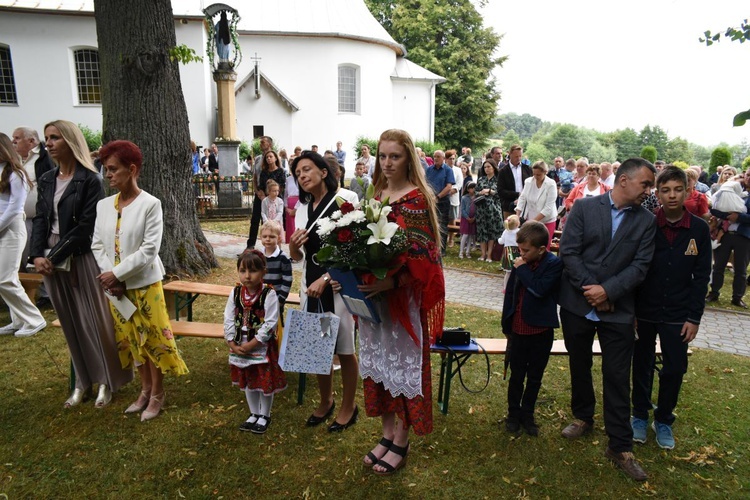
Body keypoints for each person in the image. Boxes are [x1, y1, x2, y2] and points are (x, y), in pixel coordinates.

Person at [558, 158, 657, 482]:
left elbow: (640, 266)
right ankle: (583, 416)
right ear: (624, 180)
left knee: (617, 375)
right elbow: (569, 252)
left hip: (619, 310)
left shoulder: (646, 221)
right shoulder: (585, 208)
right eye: (645, 184)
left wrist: (608, 292)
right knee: (579, 364)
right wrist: (593, 290)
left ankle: (620, 445)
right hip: (578, 304)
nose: (649, 190)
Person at [357, 129, 445, 475]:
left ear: (408, 157)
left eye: (395, 156)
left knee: (401, 369)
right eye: (382, 156)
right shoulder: (376, 193)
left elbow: (426, 256)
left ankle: (402, 441)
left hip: (400, 301)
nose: (387, 162)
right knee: (379, 369)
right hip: (374, 301)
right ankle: (386, 434)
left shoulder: (417, 199)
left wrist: (391, 280)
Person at [31, 120, 133, 408]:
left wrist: (52, 256)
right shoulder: (48, 178)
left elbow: (87, 225)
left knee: (94, 321)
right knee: (70, 322)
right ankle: (82, 382)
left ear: (70, 141)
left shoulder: (89, 180)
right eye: (46, 138)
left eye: (55, 138)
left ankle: (106, 381)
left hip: (80, 258)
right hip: (50, 261)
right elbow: (41, 218)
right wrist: (36, 255)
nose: (48, 143)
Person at [91, 140, 188, 419]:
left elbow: (149, 249)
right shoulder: (103, 206)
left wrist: (118, 273)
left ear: (131, 169)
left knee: (153, 339)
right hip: (116, 289)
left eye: (113, 169)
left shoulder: (150, 204)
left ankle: (157, 393)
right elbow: (97, 245)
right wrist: (110, 276)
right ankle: (144, 389)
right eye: (105, 169)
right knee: (133, 340)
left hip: (144, 284)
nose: (108, 174)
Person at [631, 166, 711, 450]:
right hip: (645, 310)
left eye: (678, 189)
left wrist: (694, 317)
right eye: (665, 190)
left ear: (688, 191)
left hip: (679, 313)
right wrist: (633, 312)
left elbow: (702, 276)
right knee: (641, 365)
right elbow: (637, 269)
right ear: (657, 193)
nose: (672, 195)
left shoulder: (699, 229)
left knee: (674, 368)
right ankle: (639, 415)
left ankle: (663, 419)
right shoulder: (647, 224)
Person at [288, 151, 359, 432]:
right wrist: (293, 245)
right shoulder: (303, 208)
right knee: (317, 347)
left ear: (323, 172)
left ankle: (348, 405)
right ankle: (326, 400)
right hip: (310, 283)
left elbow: (356, 248)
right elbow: (296, 256)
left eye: (306, 170)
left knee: (343, 348)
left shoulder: (347, 200)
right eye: (297, 174)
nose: (302, 176)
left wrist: (328, 278)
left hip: (338, 285)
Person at [502, 221, 563, 436]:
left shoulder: (553, 265)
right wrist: (506, 323)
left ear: (541, 249)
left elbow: (539, 289)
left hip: (541, 332)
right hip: (518, 330)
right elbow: (510, 294)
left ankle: (528, 414)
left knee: (534, 376)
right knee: (516, 374)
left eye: (526, 250)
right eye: (520, 250)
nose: (522, 254)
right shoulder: (521, 264)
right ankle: (513, 414)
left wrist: (522, 268)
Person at [225, 249, 287, 434]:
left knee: (263, 379)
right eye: (243, 271)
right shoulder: (236, 292)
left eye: (252, 271)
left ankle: (264, 414)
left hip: (261, 347)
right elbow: (228, 317)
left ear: (263, 272)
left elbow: (270, 323)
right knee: (248, 378)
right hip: (239, 344)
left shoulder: (269, 294)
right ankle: (253, 413)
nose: (247, 276)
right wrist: (231, 342)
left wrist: (254, 343)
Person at [0, 133, 47, 337]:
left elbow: (15, 208)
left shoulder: (15, 173)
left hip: (12, 229)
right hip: (3, 229)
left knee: (4, 279)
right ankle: (18, 319)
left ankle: (34, 319)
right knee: (8, 278)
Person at [12, 126, 54, 307]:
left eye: (17, 138)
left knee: (37, 252)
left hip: (38, 217)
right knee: (22, 254)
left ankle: (46, 294)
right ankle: (25, 292)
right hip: (19, 217)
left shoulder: (44, 158)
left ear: (31, 141)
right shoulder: (16, 160)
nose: (13, 142)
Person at [706, 170, 750, 308]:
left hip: (744, 237)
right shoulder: (731, 188)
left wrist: (739, 217)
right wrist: (726, 216)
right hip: (725, 235)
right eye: (747, 175)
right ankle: (714, 292)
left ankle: (737, 297)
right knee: (718, 266)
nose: (748, 178)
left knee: (741, 269)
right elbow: (715, 208)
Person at [516, 161, 558, 249]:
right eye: (534, 174)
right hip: (530, 217)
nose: (535, 177)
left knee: (543, 247)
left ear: (545, 172)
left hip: (547, 220)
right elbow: (522, 198)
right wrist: (517, 216)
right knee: (530, 246)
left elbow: (548, 208)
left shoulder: (551, 184)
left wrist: (533, 222)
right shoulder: (528, 181)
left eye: (538, 175)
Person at [425, 150, 455, 256]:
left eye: (438, 156)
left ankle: (441, 250)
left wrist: (438, 196)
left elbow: (449, 186)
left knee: (442, 225)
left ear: (443, 158)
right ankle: (430, 247)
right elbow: (425, 184)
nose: (436, 158)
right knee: (430, 224)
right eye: (434, 156)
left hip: (442, 201)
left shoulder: (448, 170)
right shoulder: (428, 170)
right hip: (430, 200)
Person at [258, 220, 293, 311]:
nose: (268, 239)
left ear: (279, 239)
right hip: (258, 298)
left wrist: (281, 299)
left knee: (276, 323)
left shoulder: (283, 258)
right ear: (260, 238)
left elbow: (287, 280)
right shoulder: (258, 256)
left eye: (272, 236)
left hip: (276, 299)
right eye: (264, 236)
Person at [247, 136, 273, 248]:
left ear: (269, 144)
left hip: (269, 194)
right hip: (258, 193)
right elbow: (255, 176)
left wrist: (268, 193)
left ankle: (267, 245)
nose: (260, 144)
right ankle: (250, 245)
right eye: (260, 142)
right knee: (255, 219)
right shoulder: (257, 159)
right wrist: (257, 190)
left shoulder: (272, 157)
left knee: (267, 220)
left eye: (263, 142)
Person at [475, 159, 503, 262]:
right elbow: (476, 192)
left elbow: (500, 193)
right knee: (482, 231)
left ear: (494, 167)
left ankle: (489, 255)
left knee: (492, 232)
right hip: (481, 209)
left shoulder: (498, 179)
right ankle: (482, 254)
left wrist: (490, 191)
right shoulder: (481, 179)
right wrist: (481, 192)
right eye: (485, 167)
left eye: (489, 167)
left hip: (494, 210)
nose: (486, 169)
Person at [497, 145, 531, 219]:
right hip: (509, 206)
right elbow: (500, 191)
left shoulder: (527, 169)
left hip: (526, 206)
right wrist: (517, 194)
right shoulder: (503, 171)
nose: (518, 158)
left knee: (526, 230)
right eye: (516, 156)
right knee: (510, 229)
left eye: (520, 156)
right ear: (510, 155)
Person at [497, 215, 521, 291]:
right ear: (517, 224)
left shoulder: (506, 231)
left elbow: (501, 241)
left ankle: (505, 288)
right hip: (516, 252)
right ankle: (515, 287)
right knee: (517, 271)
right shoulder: (519, 231)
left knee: (508, 272)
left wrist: (498, 239)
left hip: (508, 252)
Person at [446, 150, 463, 248]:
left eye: (453, 159)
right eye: (450, 159)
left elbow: (459, 183)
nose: (452, 160)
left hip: (453, 197)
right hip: (443, 196)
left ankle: (451, 239)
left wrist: (453, 190)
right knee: (443, 219)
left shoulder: (457, 170)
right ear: (446, 159)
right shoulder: (443, 168)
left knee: (452, 219)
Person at [458, 181, 477, 259]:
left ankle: (468, 251)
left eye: (474, 188)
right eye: (472, 188)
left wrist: (474, 218)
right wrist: (467, 217)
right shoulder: (464, 198)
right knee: (465, 235)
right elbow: (462, 209)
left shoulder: (476, 197)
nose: (473, 189)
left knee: (470, 235)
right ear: (468, 189)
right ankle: (461, 251)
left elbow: (478, 209)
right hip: (466, 219)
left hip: (473, 218)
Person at [284, 166, 299, 244]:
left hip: (298, 203)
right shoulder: (288, 179)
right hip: (289, 204)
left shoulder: (300, 178)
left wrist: (296, 209)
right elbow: (285, 194)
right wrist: (286, 207)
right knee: (290, 226)